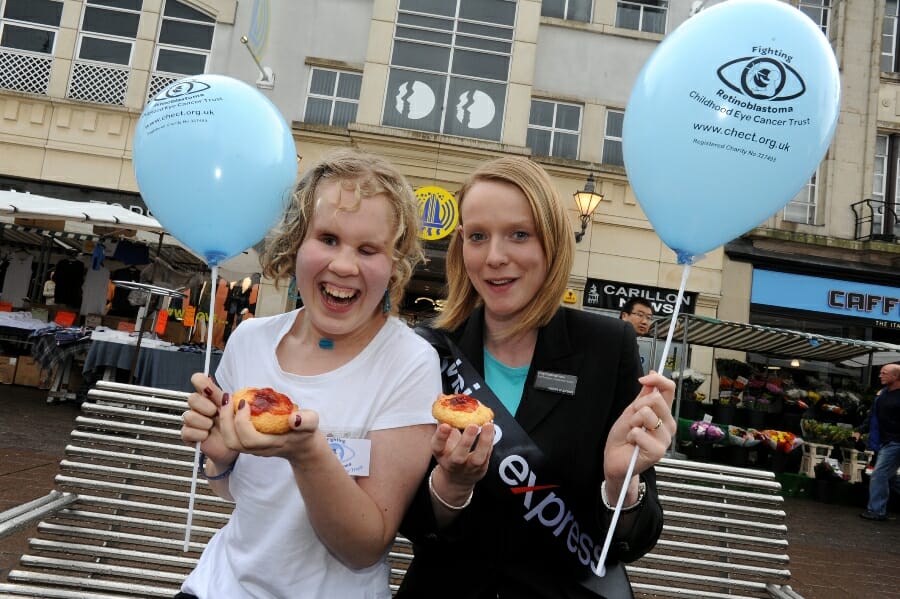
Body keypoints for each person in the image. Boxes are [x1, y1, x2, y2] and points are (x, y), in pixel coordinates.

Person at [397, 156, 675, 598]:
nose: (494, 257)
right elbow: (413, 524)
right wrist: (451, 486)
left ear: (552, 243)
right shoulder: (428, 349)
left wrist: (621, 484)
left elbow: (631, 541)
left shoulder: (607, 347)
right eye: (477, 236)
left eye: (519, 235)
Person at [178, 149, 442, 598]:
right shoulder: (250, 340)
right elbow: (241, 498)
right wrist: (220, 458)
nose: (343, 265)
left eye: (367, 249)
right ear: (298, 242)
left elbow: (365, 547)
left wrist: (307, 454)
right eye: (328, 238)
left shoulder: (409, 363)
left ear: (394, 264)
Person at [858, 363, 900, 521]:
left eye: (884, 373)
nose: (879, 375)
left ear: (895, 376)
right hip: (885, 441)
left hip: (895, 442)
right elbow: (873, 415)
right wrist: (860, 430)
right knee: (888, 477)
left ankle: (876, 511)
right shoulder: (882, 394)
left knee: (879, 474)